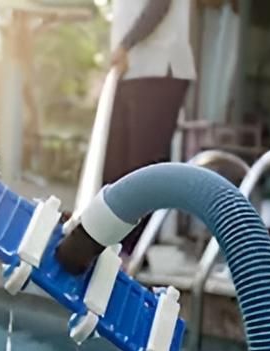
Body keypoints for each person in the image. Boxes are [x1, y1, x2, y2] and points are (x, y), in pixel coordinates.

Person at [105, 0, 196, 254]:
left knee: (142, 167)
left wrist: (125, 45)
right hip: (131, 71)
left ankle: (134, 250)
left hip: (160, 68)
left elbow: (159, 5)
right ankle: (115, 245)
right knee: (116, 165)